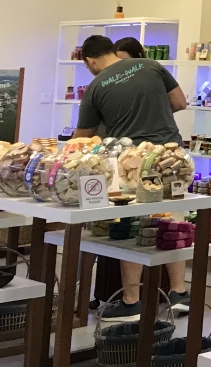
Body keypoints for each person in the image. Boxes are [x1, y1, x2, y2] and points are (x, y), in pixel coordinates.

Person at [74, 35, 190, 318]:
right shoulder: (152, 66)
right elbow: (179, 102)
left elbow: (82, 138)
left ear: (90, 61)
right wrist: (154, 113)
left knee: (134, 225)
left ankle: (131, 301)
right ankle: (179, 292)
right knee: (174, 222)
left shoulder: (95, 87)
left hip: (132, 162)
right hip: (173, 156)